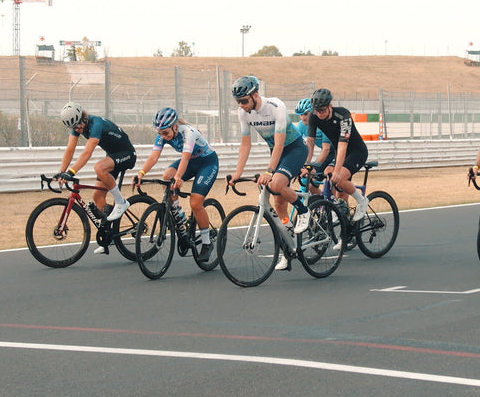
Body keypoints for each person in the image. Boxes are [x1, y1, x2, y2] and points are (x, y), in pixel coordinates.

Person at [134, 107, 220, 261]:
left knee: (195, 203)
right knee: (167, 175)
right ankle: (178, 213)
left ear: (175, 126)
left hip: (207, 163)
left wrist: (179, 177)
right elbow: (154, 157)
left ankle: (207, 243)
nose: (163, 136)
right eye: (160, 133)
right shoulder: (163, 134)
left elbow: (185, 158)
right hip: (192, 162)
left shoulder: (188, 132)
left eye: (166, 133)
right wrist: (141, 173)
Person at [227, 75, 310, 234]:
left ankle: (303, 210)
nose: (241, 105)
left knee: (276, 185)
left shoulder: (275, 106)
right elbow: (245, 144)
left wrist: (269, 171)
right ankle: (288, 238)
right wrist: (238, 173)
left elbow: (279, 142)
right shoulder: (243, 113)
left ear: (255, 95)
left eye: (244, 101)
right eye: (238, 102)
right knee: (278, 203)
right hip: (277, 153)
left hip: (294, 149)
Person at [56, 102, 138, 252]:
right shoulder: (77, 126)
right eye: (74, 128)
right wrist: (62, 172)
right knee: (97, 196)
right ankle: (109, 236)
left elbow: (87, 152)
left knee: (99, 167)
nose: (78, 130)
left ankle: (121, 202)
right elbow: (70, 149)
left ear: (84, 117)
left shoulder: (96, 124)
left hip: (127, 154)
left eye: (79, 126)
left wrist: (71, 172)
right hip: (113, 155)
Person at [302, 88, 373, 222]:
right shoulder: (314, 116)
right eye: (316, 110)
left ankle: (362, 201)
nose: (319, 113)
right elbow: (310, 142)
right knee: (330, 175)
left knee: (339, 178)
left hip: (357, 151)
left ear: (330, 106)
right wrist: (306, 164)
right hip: (339, 151)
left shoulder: (343, 115)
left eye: (322, 110)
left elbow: (343, 145)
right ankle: (340, 213)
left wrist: (338, 171)